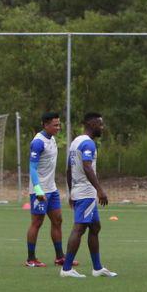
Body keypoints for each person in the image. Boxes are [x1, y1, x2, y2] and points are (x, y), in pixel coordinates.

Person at [60, 112, 117, 279]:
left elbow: (69, 170)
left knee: (95, 227)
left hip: (79, 191)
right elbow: (87, 166)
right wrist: (100, 190)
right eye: (100, 124)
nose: (102, 127)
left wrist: (71, 192)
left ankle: (97, 268)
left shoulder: (75, 142)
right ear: (91, 124)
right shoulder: (89, 144)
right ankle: (67, 268)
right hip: (86, 193)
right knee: (79, 228)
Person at [25, 112, 65, 267]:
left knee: (58, 220)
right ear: (45, 125)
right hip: (39, 190)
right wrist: (38, 190)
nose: (58, 127)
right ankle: (30, 259)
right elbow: (32, 168)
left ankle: (60, 257)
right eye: (55, 125)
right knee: (37, 222)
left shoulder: (52, 139)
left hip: (52, 188)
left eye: (59, 124)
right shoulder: (38, 142)